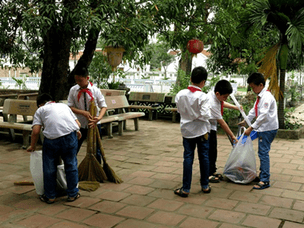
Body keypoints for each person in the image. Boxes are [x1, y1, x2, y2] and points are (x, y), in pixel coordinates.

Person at [27, 93, 82, 204]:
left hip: (52, 140)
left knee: (49, 167)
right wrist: (76, 131)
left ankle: (50, 196)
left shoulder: (40, 110)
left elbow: (36, 131)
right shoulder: (64, 106)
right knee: (71, 164)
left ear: (40, 105)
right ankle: (72, 194)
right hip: (70, 137)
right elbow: (78, 124)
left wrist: (32, 146)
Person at [174, 66, 211, 197]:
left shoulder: (180, 94)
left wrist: (190, 116)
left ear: (191, 79)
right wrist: (198, 116)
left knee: (188, 157)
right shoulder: (203, 96)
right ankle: (205, 186)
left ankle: (185, 189)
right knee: (204, 157)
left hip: (187, 130)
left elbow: (179, 111)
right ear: (203, 82)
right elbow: (206, 115)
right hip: (201, 130)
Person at [239, 72, 278, 190]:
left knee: (263, 153)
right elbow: (254, 110)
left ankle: (265, 180)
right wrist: (246, 121)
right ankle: (262, 175)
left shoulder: (266, 97)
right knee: (262, 152)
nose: (252, 89)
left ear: (260, 85)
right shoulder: (261, 96)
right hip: (264, 128)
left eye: (253, 87)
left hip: (267, 129)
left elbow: (263, 116)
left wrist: (251, 128)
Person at [67, 66, 107, 163]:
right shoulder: (73, 90)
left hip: (94, 124)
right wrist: (83, 113)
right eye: (76, 80)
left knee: (97, 150)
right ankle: (72, 170)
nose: (78, 83)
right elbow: (70, 107)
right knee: (74, 148)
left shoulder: (95, 90)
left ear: (87, 78)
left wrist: (98, 118)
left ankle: (97, 171)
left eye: (80, 80)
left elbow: (103, 106)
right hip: (79, 124)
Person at [208, 80, 239, 183]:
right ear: (218, 93)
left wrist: (234, 107)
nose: (225, 98)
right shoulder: (212, 102)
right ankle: (208, 174)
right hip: (207, 128)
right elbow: (222, 123)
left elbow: (221, 102)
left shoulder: (216, 96)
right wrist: (233, 136)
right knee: (210, 151)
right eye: (225, 96)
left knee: (213, 151)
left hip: (211, 126)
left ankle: (212, 171)